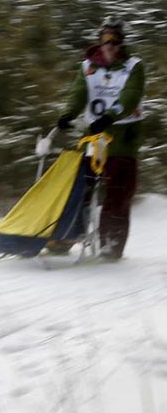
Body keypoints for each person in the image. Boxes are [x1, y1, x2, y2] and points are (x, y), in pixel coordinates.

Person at [55, 17, 146, 260]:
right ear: (100, 40)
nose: (110, 45)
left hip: (123, 141)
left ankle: (110, 245)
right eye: (106, 39)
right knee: (78, 191)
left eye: (115, 40)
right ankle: (64, 238)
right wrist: (68, 114)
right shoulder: (88, 67)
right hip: (93, 139)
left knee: (117, 195)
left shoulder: (133, 67)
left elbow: (130, 97)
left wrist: (109, 117)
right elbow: (78, 93)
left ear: (121, 43)